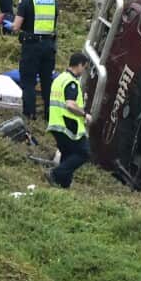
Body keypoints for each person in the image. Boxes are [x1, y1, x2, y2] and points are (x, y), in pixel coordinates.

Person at [11, 0, 58, 122]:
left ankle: (29, 114)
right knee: (47, 81)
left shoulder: (27, 1)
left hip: (31, 46)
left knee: (28, 81)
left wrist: (9, 24)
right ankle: (49, 115)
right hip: (49, 45)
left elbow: (16, 26)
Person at [46, 52, 92, 189]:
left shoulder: (59, 79)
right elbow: (70, 104)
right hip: (67, 125)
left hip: (55, 123)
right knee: (84, 153)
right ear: (79, 65)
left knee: (68, 154)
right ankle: (55, 174)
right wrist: (85, 115)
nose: (84, 71)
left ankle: (63, 185)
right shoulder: (71, 82)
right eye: (84, 67)